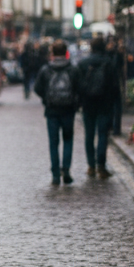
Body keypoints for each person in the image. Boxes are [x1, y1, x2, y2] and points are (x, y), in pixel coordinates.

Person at [34, 40, 80, 185]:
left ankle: (55, 175)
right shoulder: (72, 69)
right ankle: (66, 170)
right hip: (68, 110)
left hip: (52, 110)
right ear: (66, 52)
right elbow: (79, 88)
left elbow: (37, 88)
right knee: (68, 140)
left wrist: (46, 99)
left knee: (53, 143)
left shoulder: (46, 69)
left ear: (52, 53)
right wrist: (75, 103)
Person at [77, 35, 122, 179]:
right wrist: (116, 103)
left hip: (88, 104)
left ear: (91, 47)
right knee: (102, 134)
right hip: (105, 103)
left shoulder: (83, 63)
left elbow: (78, 86)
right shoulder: (109, 63)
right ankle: (101, 166)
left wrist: (79, 102)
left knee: (89, 135)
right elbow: (115, 86)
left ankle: (91, 166)